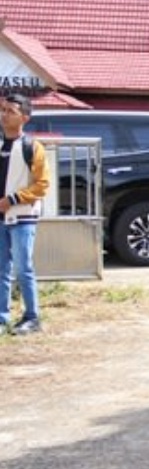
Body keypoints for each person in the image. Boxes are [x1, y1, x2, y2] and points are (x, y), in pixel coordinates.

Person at [0, 93, 50, 336]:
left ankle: (32, 316)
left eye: (10, 111)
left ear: (25, 118)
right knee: (1, 269)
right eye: (3, 110)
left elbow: (42, 185)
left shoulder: (32, 147)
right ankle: (2, 317)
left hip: (22, 217)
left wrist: (12, 200)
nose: (4, 115)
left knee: (23, 268)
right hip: (1, 218)